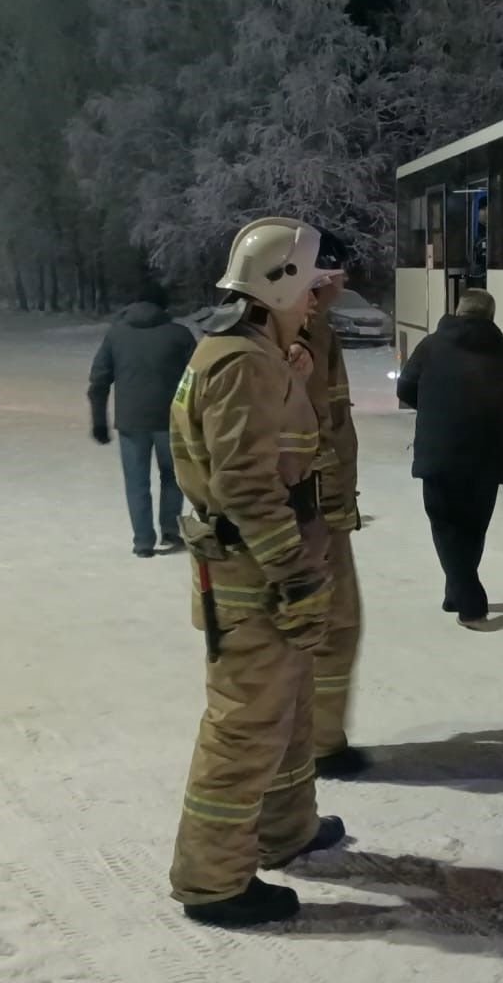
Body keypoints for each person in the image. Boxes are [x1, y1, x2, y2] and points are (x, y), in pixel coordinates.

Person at [168, 217, 346, 927]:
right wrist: (294, 574)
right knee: (245, 730)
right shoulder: (241, 364)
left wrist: (291, 372)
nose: (317, 298)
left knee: (288, 714)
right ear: (278, 287)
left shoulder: (257, 353)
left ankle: (285, 831)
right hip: (256, 578)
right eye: (310, 285)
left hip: (266, 569)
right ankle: (212, 882)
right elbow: (245, 485)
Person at [397, 288, 503, 628]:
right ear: (490, 316)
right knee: (474, 528)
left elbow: (405, 388)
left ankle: (469, 602)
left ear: (458, 311)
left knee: (445, 526)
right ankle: (455, 590)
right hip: (488, 455)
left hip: (440, 452)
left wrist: (435, 409)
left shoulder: (430, 347)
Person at [298, 232, 369, 780]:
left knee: (336, 625)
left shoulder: (315, 331)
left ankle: (320, 738)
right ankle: (315, 745)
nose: (347, 284)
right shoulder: (296, 338)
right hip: (309, 513)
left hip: (326, 507)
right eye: (340, 275)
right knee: (328, 627)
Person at [87, 281, 197, 557]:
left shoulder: (116, 335)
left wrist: (99, 420)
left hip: (131, 422)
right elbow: (198, 381)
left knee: (136, 482)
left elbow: (99, 381)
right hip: (171, 421)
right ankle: (171, 530)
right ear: (164, 305)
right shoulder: (179, 335)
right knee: (173, 477)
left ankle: (143, 541)